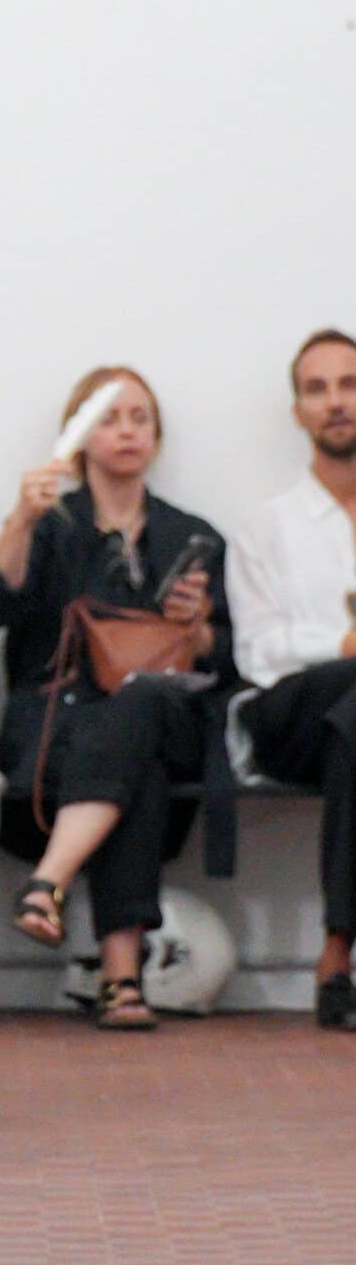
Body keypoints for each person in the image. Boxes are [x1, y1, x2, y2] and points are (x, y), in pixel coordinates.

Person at [0, 367, 233, 1031]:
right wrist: (20, 519)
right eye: (109, 418)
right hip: (54, 741)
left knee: (141, 704)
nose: (126, 431)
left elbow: (230, 658)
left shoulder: (193, 537)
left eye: (140, 417)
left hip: (168, 722)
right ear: (80, 435)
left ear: (157, 436)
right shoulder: (51, 525)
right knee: (136, 763)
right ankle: (121, 980)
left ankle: (48, 883)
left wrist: (198, 628)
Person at [228, 330, 356, 1027]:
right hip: (286, 719)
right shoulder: (265, 525)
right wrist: (342, 643)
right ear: (297, 410)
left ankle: (337, 952)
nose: (336, 401)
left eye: (349, 384)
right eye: (318, 388)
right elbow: (258, 655)